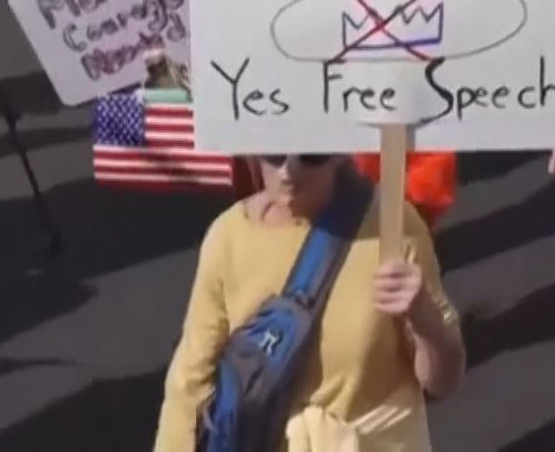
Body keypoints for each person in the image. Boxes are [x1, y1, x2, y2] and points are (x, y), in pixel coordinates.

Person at [154, 154, 464, 450]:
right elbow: (189, 386)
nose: (288, 172)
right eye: (273, 154)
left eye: (311, 154)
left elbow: (444, 381)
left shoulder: (395, 228)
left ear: (340, 152)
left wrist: (424, 319)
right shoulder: (227, 238)